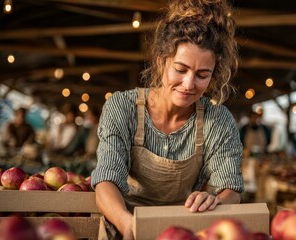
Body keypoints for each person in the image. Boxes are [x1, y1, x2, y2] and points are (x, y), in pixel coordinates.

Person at [91, 0, 244, 239]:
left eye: (202, 75)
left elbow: (230, 188)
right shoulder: (122, 107)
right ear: (161, 61)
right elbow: (106, 178)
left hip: (186, 230)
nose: (189, 85)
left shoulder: (218, 121)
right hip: (124, 226)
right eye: (180, 70)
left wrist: (216, 198)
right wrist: (127, 224)